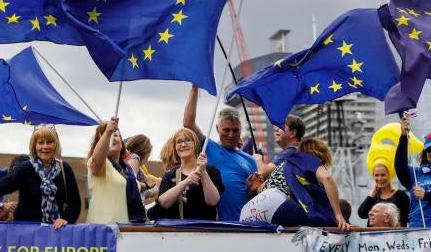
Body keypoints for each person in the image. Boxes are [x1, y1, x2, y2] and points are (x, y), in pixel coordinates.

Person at [0, 125, 80, 228]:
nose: (45, 146)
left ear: (56, 145)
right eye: (41, 142)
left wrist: (66, 218)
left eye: (49, 142)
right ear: (34, 146)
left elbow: (75, 202)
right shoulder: (26, 167)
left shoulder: (65, 168)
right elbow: (8, 182)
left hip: (56, 231)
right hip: (26, 233)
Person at [259, 116, 349, 230]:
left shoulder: (286, 165)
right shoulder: (302, 158)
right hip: (278, 206)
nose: (276, 129)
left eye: (281, 126)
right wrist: (338, 215)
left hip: (255, 211)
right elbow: (327, 179)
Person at [182, 85, 258, 221]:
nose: (231, 134)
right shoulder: (208, 146)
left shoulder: (250, 160)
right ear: (217, 129)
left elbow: (256, 195)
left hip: (243, 223)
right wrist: (194, 89)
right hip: (214, 222)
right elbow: (188, 123)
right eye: (226, 130)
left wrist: (253, 189)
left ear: (241, 130)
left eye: (235, 130)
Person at [149, 128, 223, 220]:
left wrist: (203, 172)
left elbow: (213, 201)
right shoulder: (170, 175)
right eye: (179, 142)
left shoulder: (212, 171)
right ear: (175, 148)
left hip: (204, 231)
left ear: (195, 144)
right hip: (176, 231)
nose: (183, 145)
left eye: (188, 140)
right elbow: (164, 203)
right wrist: (185, 182)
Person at [85, 118, 146, 223]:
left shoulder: (128, 170)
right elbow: (97, 159)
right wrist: (108, 133)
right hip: (103, 229)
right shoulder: (97, 163)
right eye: (104, 135)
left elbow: (136, 187)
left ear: (121, 143)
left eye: (115, 135)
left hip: (126, 229)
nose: (111, 137)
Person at [358, 162, 409, 227]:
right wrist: (370, 196)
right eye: (376, 175)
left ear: (389, 175)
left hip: (394, 235)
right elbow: (362, 214)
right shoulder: (373, 197)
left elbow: (404, 220)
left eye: (383, 175)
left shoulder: (401, 196)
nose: (380, 178)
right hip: (373, 235)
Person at [124, 135, 160, 205]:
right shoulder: (135, 158)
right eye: (149, 154)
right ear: (145, 152)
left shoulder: (133, 161)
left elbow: (140, 193)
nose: (148, 157)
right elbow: (132, 184)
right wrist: (147, 185)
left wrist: (153, 189)